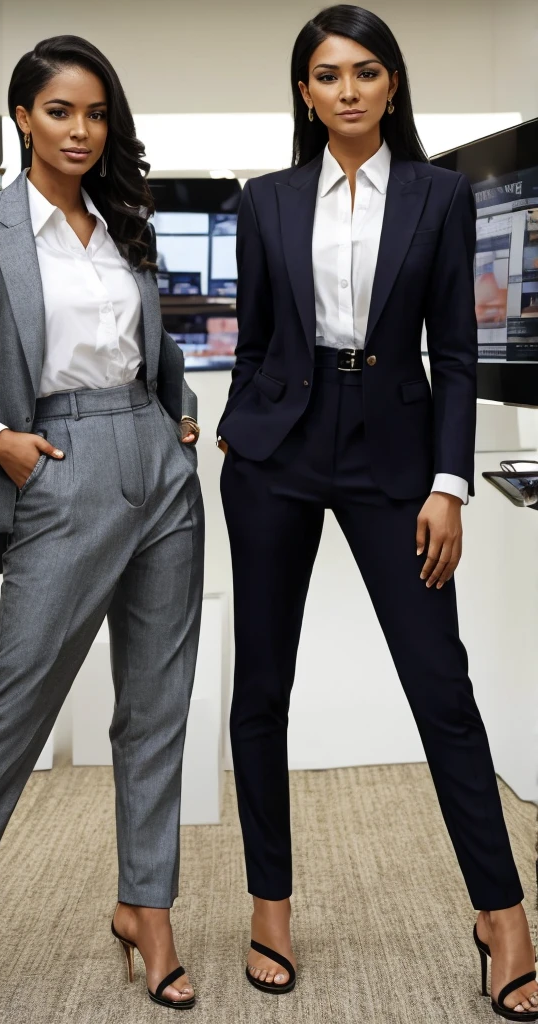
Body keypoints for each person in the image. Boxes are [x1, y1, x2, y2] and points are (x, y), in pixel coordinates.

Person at [217, 5, 538, 1017]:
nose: (346, 89)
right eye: (326, 74)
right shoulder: (262, 200)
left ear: (390, 86)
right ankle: (269, 903)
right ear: (303, 93)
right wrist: (239, 423)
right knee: (259, 685)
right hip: (275, 448)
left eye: (364, 71)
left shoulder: (441, 195)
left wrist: (448, 484)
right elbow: (258, 331)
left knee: (439, 684)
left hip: (393, 449)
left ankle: (500, 915)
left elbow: (456, 348)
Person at [0, 34, 204, 1022]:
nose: (80, 129)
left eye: (96, 112)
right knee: (14, 703)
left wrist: (177, 410)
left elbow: (145, 343)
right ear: (23, 115)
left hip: (157, 468)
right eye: (60, 110)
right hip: (54, 467)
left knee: (156, 708)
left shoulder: (126, 218)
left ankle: (144, 908)